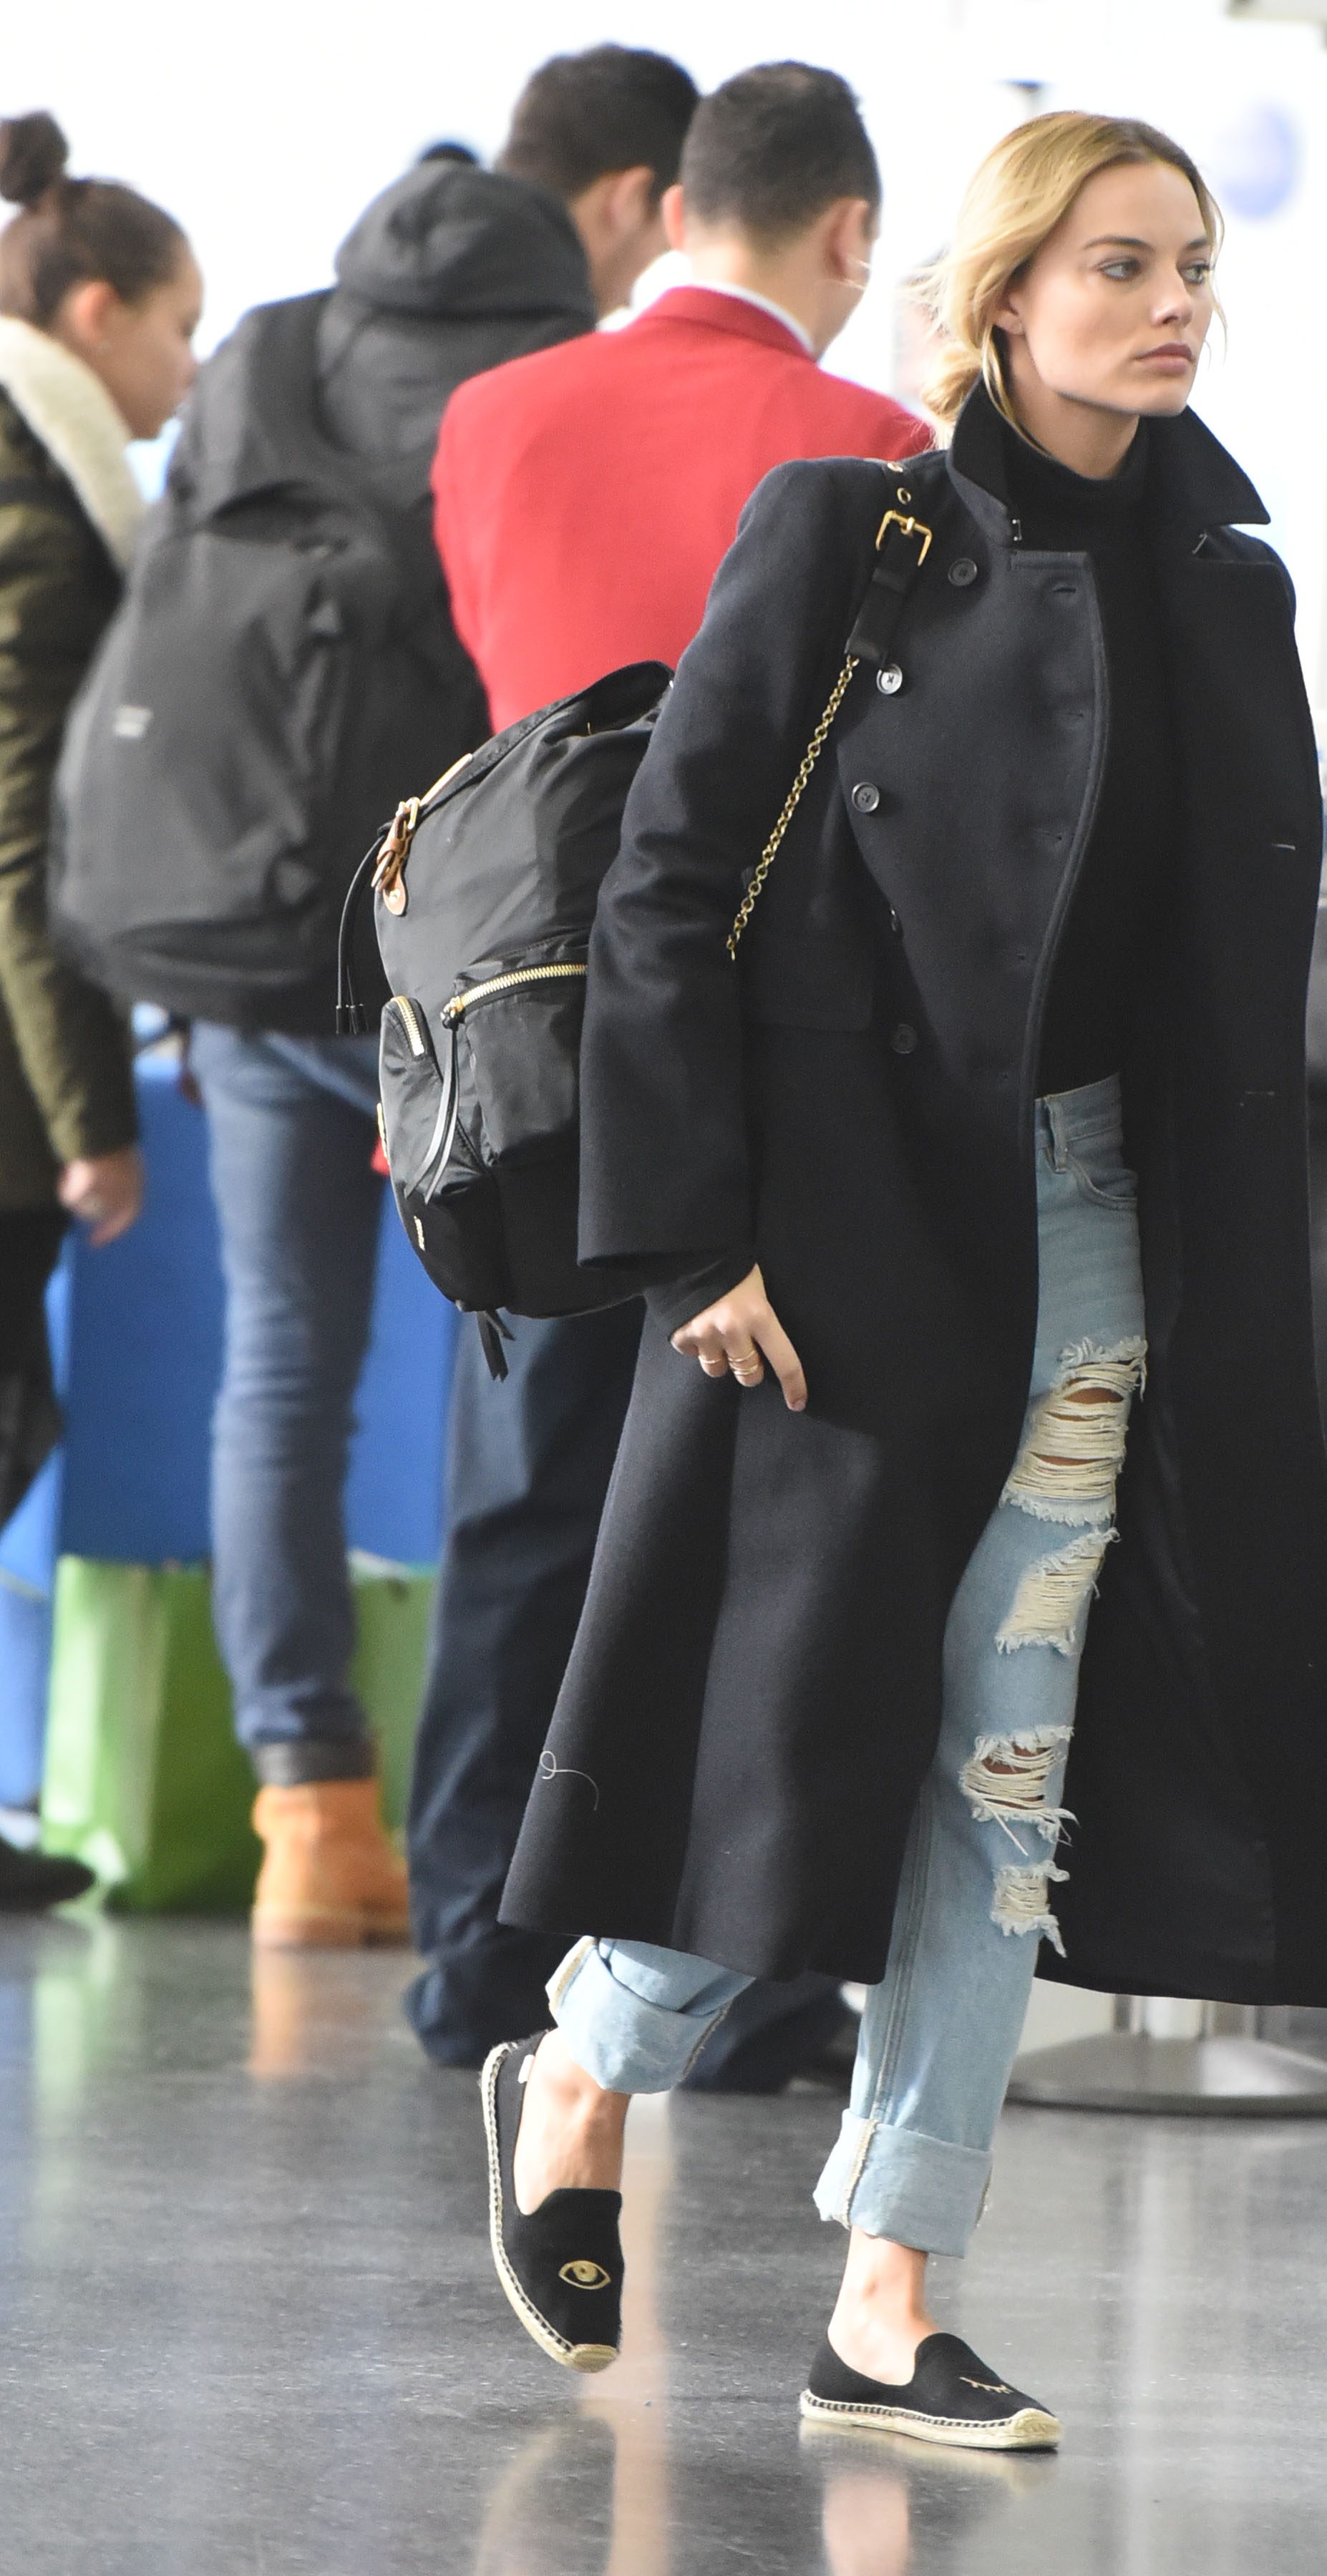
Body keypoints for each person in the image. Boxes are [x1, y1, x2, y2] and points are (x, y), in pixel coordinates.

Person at [477, 109, 1327, 2446]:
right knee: (806, 1730)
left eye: (1193, 262)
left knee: (1005, 1755)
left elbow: (1269, 867)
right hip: (846, 1228)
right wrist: (692, 1233)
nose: (1175, 301)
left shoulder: (1222, 581)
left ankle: (893, 2286)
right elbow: (671, 886)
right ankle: (585, 2060)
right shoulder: (849, 533)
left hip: (1103, 1217)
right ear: (1003, 295)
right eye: (1119, 262)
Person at [407, 62, 933, 2071]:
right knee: (752, 1541)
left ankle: (474, 1960)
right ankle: (750, 1978)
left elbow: (514, 711)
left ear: (679, 204)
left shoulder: (495, 412)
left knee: (519, 1520)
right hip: (762, 1072)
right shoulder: (870, 445)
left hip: (517, 1046)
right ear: (848, 234)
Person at [170, 49, 697, 1952]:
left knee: (279, 1373)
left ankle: (308, 1819)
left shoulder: (275, 344)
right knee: (522, 1385)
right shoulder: (558, 376)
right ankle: (507, 1864)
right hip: (463, 971)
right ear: (629, 200)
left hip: (248, 934)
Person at [0, 112, 198, 1912]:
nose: (186, 373)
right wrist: (91, 1117)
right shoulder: (37, 501)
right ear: (93, 313)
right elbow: (17, 833)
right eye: (178, 327)